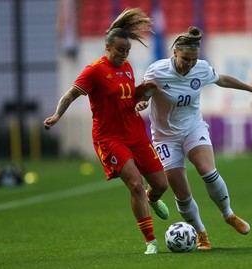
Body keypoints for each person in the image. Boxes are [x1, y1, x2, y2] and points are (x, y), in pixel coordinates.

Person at [44, 8, 169, 255]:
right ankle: (151, 241)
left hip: (135, 132)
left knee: (160, 184)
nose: (124, 55)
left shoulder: (127, 68)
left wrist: (143, 95)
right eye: (120, 50)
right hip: (109, 137)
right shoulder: (94, 71)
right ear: (107, 47)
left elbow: (129, 98)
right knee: (134, 183)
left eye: (127, 51)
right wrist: (58, 114)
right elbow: (71, 94)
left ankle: (152, 198)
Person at [135, 26, 252, 250]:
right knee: (182, 192)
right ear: (175, 52)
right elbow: (145, 94)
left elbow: (222, 79)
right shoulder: (157, 71)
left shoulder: (201, 68)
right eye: (186, 59)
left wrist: (250, 88)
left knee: (208, 171)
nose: (190, 64)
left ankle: (229, 215)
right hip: (165, 138)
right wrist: (141, 103)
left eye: (194, 59)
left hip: (192, 128)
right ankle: (201, 234)